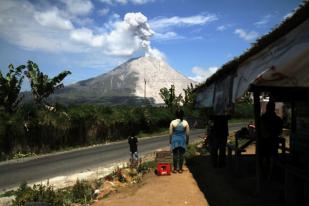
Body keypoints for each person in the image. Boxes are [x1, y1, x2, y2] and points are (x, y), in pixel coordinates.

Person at [260, 101, 283, 179]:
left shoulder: (263, 117)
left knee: (264, 157)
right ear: (273, 108)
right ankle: (271, 174)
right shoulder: (278, 119)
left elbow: (261, 129)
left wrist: (266, 134)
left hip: (265, 141)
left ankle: (264, 174)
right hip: (273, 141)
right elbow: (280, 131)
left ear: (267, 108)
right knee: (272, 157)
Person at [169, 109, 190, 173]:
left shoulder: (172, 122)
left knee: (175, 154)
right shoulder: (185, 122)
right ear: (182, 114)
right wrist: (187, 141)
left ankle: (175, 169)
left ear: (176, 114)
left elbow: (170, 133)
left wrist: (170, 140)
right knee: (181, 155)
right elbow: (187, 133)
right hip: (182, 140)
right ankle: (180, 169)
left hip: (174, 140)